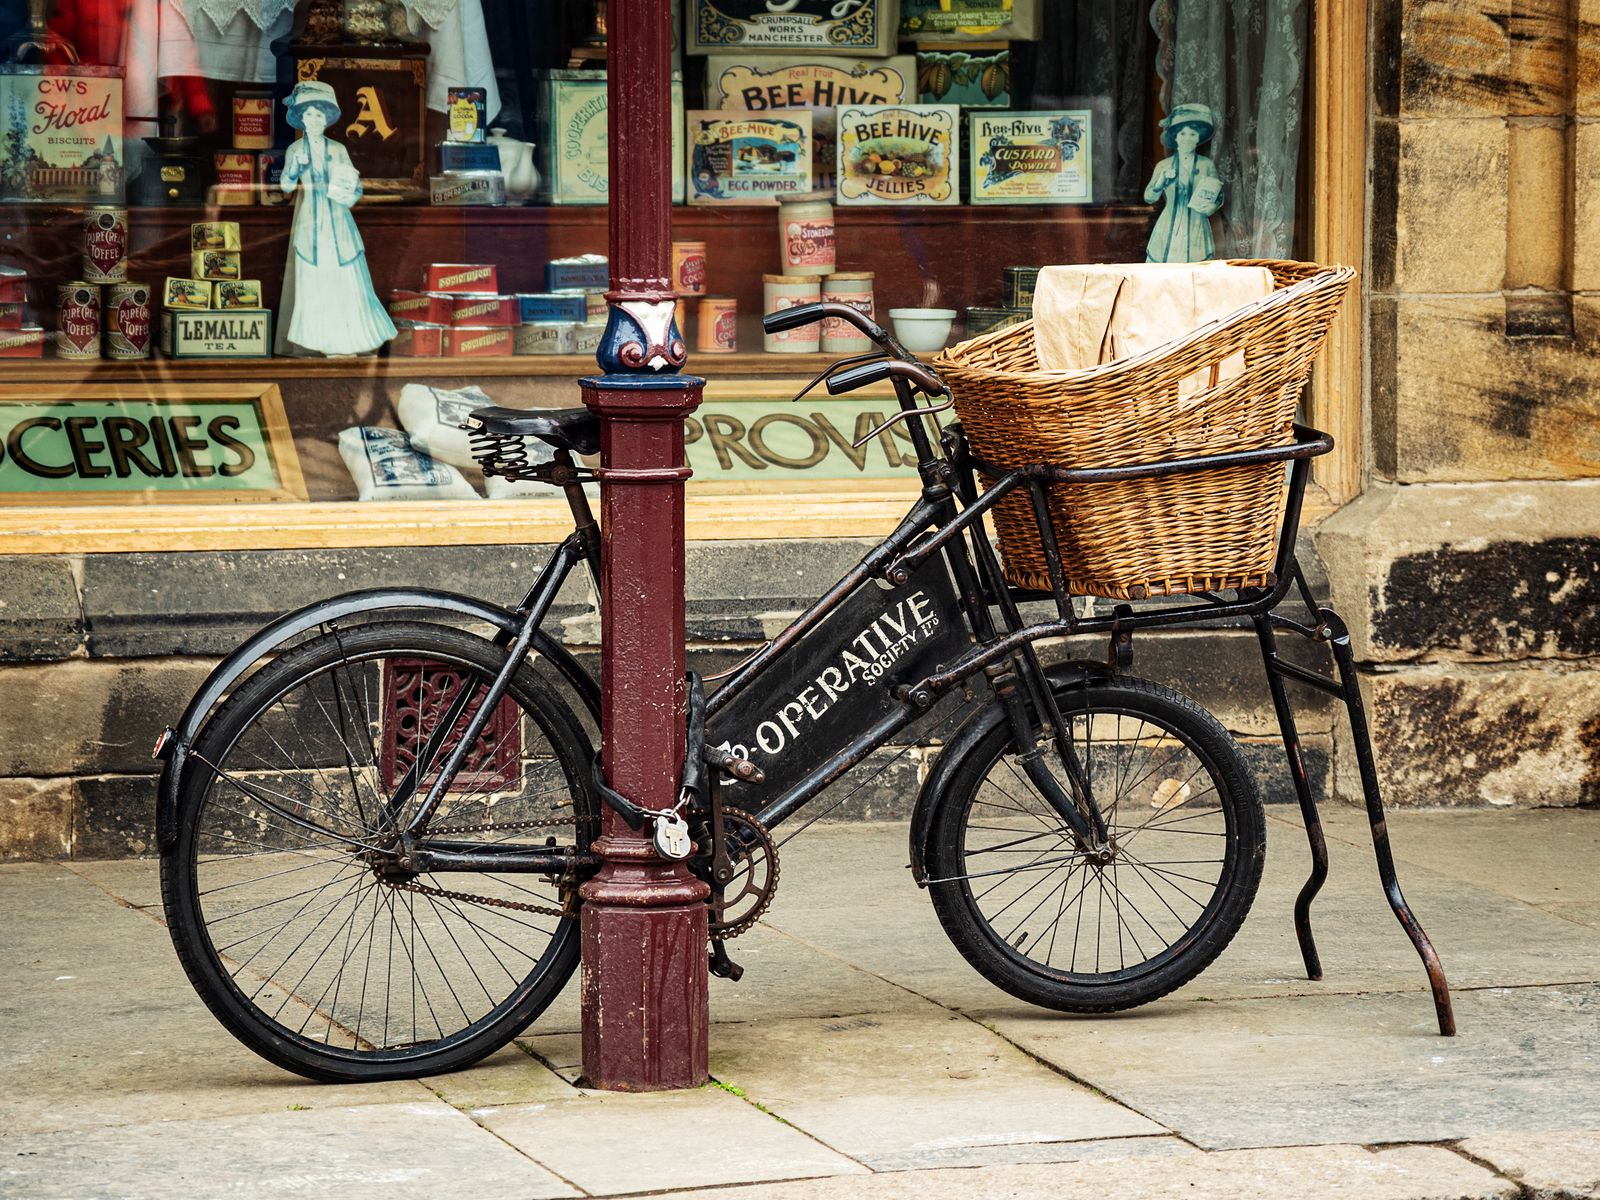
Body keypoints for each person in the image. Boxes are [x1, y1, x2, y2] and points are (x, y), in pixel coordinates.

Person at [276, 80, 396, 356]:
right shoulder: (295, 150)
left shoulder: (338, 149)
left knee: (344, 275)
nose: (314, 120)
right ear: (301, 118)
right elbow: (285, 186)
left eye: (319, 114)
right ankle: (319, 339)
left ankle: (349, 340)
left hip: (338, 221)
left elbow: (355, 186)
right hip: (310, 222)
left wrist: (346, 190)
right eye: (308, 115)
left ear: (327, 118)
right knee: (315, 277)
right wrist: (294, 167)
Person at [1144, 102, 1224, 264]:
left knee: (1195, 268)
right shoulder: (1164, 165)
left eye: (1192, 134)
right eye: (1183, 134)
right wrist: (1161, 181)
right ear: (1175, 137)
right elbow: (1149, 197)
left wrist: (1211, 207)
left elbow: (1218, 194)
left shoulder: (1205, 165)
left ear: (1198, 138)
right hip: (1168, 225)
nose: (1187, 139)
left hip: (1196, 225)